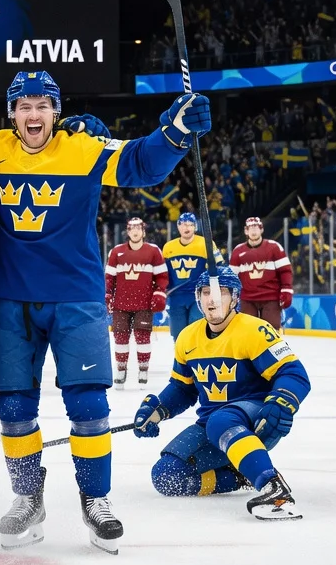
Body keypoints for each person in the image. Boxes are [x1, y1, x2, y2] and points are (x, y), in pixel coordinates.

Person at [0, 70, 212, 554]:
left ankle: (97, 499)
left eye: (43, 104)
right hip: (12, 299)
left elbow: (141, 164)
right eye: (23, 106)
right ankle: (28, 498)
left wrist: (176, 129)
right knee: (14, 408)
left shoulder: (85, 146)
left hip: (77, 299)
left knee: (89, 406)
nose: (33, 114)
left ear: (56, 110)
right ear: (11, 113)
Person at [133, 266, 309, 520]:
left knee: (221, 420)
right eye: (206, 292)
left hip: (258, 417)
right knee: (167, 476)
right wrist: (159, 410)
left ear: (235, 298)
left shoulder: (254, 330)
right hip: (213, 424)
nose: (212, 300)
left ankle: (274, 489)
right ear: (198, 296)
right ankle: (240, 476)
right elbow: (182, 388)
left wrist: (282, 401)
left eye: (220, 292)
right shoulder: (187, 337)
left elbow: (294, 373)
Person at [104, 216, 167, 388]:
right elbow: (109, 278)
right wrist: (108, 295)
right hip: (121, 304)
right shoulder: (116, 252)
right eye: (132, 228)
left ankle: (143, 369)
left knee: (142, 338)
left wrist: (159, 293)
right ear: (128, 231)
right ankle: (121, 370)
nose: (135, 231)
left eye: (138, 228)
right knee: (120, 338)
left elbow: (161, 277)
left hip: (144, 304)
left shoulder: (154, 251)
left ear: (143, 231)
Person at [229, 216, 293, 329]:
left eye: (256, 227)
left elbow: (285, 271)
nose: (253, 231)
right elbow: (231, 277)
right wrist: (230, 296)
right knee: (248, 331)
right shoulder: (238, 251)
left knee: (271, 330)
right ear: (245, 230)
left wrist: (286, 290)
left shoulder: (274, 247)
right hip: (247, 298)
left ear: (261, 229)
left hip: (271, 297)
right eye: (250, 228)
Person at [162, 212, 212, 339]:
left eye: (191, 224)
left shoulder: (206, 244)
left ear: (195, 227)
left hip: (197, 296)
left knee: (196, 332)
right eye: (184, 224)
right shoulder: (168, 247)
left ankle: (196, 359)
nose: (187, 228)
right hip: (176, 296)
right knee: (178, 336)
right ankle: (179, 359)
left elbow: (217, 268)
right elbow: (162, 273)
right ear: (178, 226)